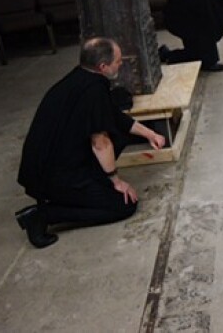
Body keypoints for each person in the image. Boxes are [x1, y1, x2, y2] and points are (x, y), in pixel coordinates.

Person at [15, 37, 167, 249]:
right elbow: (100, 143)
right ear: (103, 66)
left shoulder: (82, 78)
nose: (121, 64)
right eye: (118, 61)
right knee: (123, 205)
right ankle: (43, 215)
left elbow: (114, 116)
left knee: (119, 134)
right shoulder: (93, 90)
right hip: (54, 176)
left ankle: (84, 189)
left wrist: (149, 134)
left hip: (50, 165)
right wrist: (116, 181)